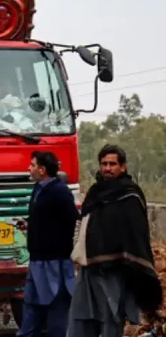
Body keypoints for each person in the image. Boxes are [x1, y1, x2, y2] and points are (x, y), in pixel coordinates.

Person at [69, 144, 163, 337]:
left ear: (123, 167)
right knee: (82, 316)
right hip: (89, 268)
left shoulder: (130, 194)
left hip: (115, 270)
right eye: (104, 164)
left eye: (112, 164)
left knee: (110, 317)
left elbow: (137, 234)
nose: (107, 168)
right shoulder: (96, 192)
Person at [14, 151, 78, 337]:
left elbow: (71, 220)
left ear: (42, 170)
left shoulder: (60, 191)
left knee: (57, 311)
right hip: (37, 261)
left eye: (32, 165)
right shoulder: (38, 189)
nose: (29, 168)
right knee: (31, 311)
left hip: (54, 263)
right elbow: (42, 218)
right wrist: (29, 224)